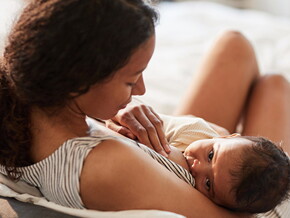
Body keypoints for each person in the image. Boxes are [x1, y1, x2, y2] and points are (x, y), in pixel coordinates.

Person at [0, 0, 248, 217]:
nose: (140, 90)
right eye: (131, 80)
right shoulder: (107, 166)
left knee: (235, 46)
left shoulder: (30, 101)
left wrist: (109, 114)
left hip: (179, 158)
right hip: (225, 187)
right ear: (81, 79)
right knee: (274, 86)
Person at [92, 112, 290, 213]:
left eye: (208, 184)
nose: (196, 167)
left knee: (274, 81)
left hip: (275, 208)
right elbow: (141, 124)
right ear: (229, 137)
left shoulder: (227, 200)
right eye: (211, 155)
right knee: (274, 81)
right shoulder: (194, 130)